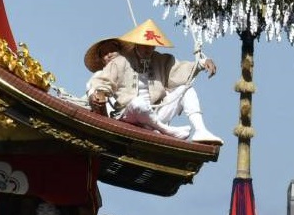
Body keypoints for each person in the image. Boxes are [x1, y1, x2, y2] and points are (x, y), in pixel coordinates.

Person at [83, 18, 222, 143]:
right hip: (130, 115)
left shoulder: (161, 60)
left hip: (155, 113)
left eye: (151, 45)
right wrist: (98, 93)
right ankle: (166, 131)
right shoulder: (120, 62)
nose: (147, 48)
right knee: (138, 102)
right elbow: (101, 82)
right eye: (144, 44)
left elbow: (179, 71)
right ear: (136, 43)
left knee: (186, 90)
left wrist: (201, 63)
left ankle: (200, 130)